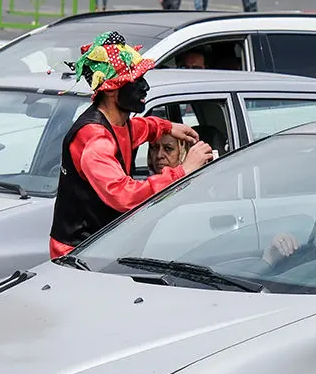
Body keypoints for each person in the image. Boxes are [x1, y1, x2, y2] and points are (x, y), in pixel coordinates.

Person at [49, 31, 213, 259]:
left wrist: (167, 127)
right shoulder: (95, 139)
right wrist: (182, 171)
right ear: (112, 90)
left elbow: (139, 128)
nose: (145, 86)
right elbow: (124, 196)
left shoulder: (118, 124)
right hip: (78, 253)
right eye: (135, 81)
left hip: (100, 246)